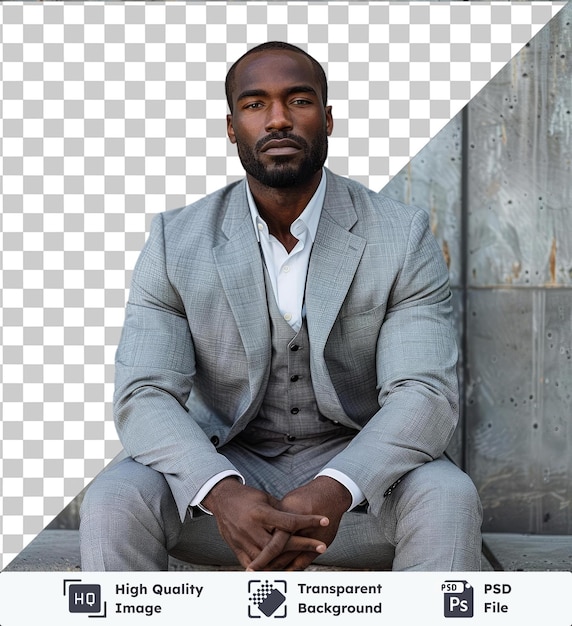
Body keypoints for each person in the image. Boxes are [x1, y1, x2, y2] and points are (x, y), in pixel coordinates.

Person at [80, 41, 482, 571]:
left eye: (299, 100)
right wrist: (221, 490)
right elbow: (145, 392)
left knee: (448, 496)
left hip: (360, 487)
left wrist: (337, 487)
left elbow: (425, 393)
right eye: (254, 105)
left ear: (328, 118)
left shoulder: (400, 235)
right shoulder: (175, 240)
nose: (277, 120)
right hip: (226, 475)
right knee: (115, 498)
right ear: (231, 127)